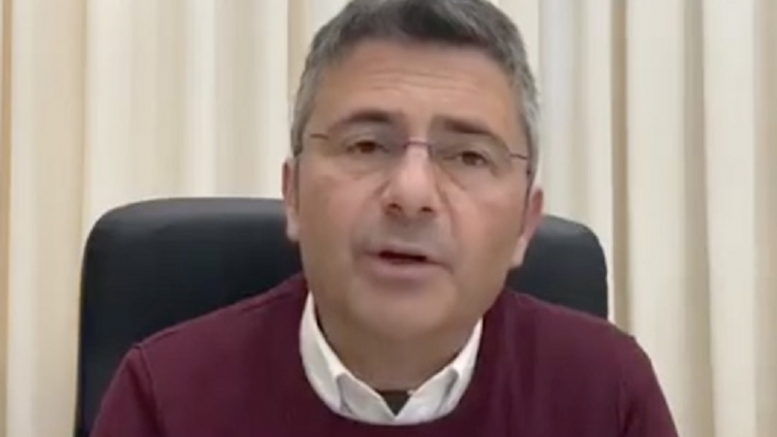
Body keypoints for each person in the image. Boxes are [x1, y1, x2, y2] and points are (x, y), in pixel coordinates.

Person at [90, 0, 679, 436]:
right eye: (367, 145)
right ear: (292, 196)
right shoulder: (165, 398)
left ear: (526, 223)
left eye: (468, 156)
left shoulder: (608, 394)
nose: (412, 193)